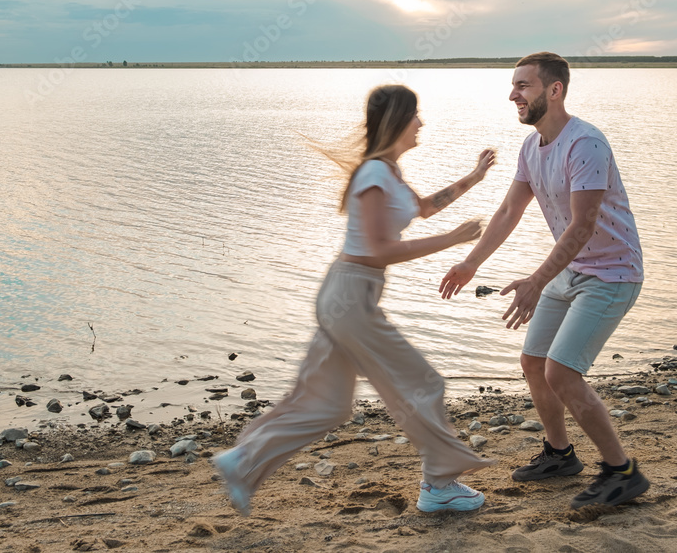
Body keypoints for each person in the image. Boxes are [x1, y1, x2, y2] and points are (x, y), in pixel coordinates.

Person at [213, 84, 498, 516]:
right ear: (399, 121)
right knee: (424, 384)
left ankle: (243, 461)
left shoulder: (387, 171)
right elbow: (378, 250)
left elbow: (422, 207)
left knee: (327, 404)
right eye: (416, 114)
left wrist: (474, 178)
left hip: (348, 296)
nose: (422, 122)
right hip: (351, 297)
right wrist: (452, 240)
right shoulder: (373, 176)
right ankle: (439, 484)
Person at [439, 52, 649, 509]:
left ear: (554, 90)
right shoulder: (531, 148)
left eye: (523, 86)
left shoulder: (585, 144)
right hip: (573, 271)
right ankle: (560, 455)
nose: (513, 95)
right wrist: (471, 263)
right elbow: (509, 211)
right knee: (534, 362)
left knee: (562, 371)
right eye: (513, 86)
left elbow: (583, 225)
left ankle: (622, 471)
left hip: (612, 274)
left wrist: (536, 280)